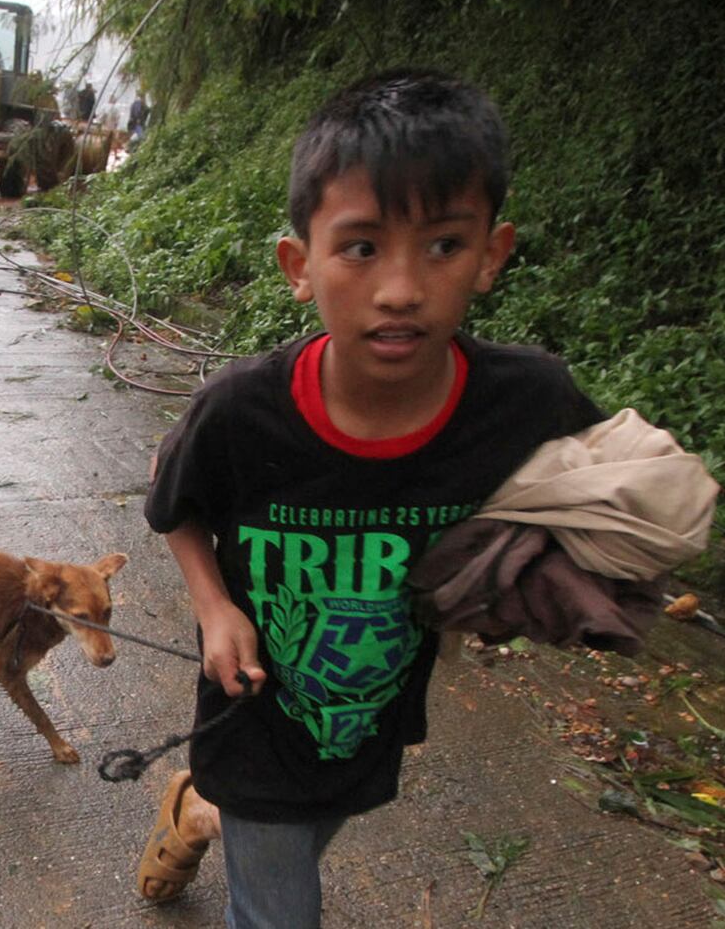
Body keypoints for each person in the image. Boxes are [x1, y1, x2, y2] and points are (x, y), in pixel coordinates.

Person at [135, 69, 606, 927]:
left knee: (306, 829)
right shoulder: (242, 413)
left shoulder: (523, 403)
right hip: (250, 713)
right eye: (361, 247)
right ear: (300, 265)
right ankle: (226, 808)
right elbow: (176, 508)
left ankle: (199, 811)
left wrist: (564, 571)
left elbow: (604, 498)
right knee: (278, 908)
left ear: (492, 255)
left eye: (442, 246)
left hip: (369, 712)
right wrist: (214, 609)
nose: (400, 288)